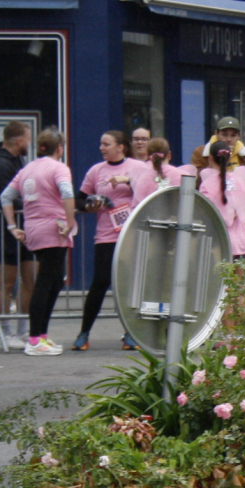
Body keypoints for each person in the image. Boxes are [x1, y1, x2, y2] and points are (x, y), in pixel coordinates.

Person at [0, 126, 76, 356]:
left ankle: (41, 335)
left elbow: (6, 196)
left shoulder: (27, 169)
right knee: (45, 283)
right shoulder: (59, 168)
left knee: (55, 281)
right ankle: (34, 339)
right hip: (54, 229)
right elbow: (67, 193)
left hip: (33, 230)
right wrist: (70, 222)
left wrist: (12, 226)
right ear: (59, 148)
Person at [72, 129, 149, 351]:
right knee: (100, 282)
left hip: (132, 234)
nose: (101, 148)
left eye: (106, 144)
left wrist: (128, 181)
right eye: (101, 144)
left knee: (130, 284)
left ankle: (130, 333)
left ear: (120, 147)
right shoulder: (96, 170)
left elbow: (151, 189)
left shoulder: (137, 167)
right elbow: (79, 199)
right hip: (106, 235)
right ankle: (84, 333)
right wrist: (91, 204)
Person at [0, 121, 32, 339]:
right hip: (4, 230)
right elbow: (5, 198)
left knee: (30, 279)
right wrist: (33, 204)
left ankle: (24, 330)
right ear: (19, 141)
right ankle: (6, 332)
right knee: (7, 281)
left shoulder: (16, 161)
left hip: (24, 228)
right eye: (28, 139)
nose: (29, 143)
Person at [198, 139, 245, 266]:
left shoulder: (207, 185)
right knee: (240, 279)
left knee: (220, 278)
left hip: (218, 242)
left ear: (210, 158)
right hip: (242, 242)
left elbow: (205, 213)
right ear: (229, 158)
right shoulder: (240, 181)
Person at [191, 116, 245, 203]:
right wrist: (213, 164)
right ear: (216, 134)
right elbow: (194, 183)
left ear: (239, 136)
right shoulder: (201, 152)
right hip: (210, 207)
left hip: (238, 208)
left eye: (233, 135)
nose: (229, 139)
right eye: (224, 134)